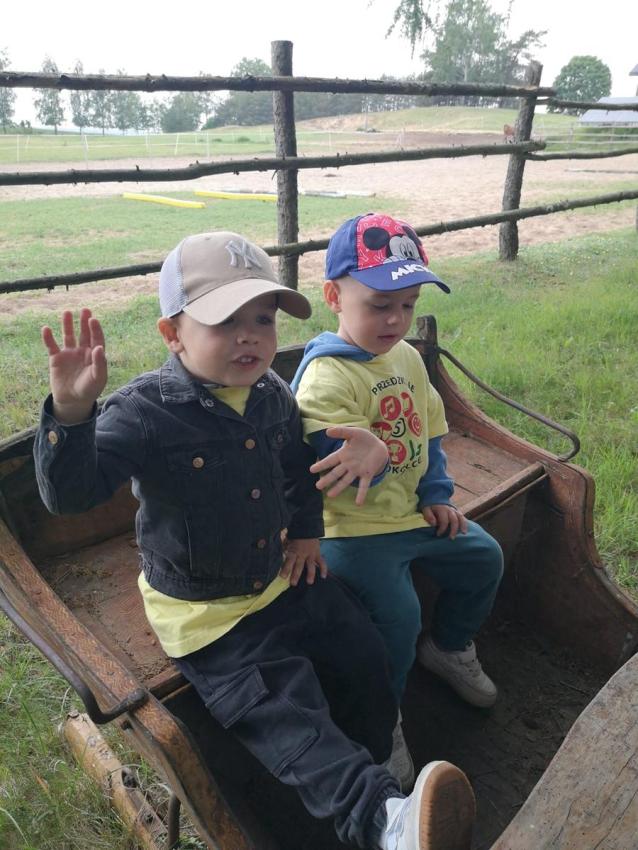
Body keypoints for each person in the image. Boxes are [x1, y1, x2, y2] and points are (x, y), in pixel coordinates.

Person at [33, 231, 476, 850]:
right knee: (287, 715)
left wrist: (307, 534)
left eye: (263, 319)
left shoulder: (271, 393)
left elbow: (299, 469)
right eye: (225, 321)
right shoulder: (143, 412)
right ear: (172, 333)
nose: (250, 337)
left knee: (363, 648)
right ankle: (384, 821)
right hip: (209, 615)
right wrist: (72, 415)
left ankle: (380, 752)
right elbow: (71, 496)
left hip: (281, 574)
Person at [292, 213, 505, 787]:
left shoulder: (406, 356)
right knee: (397, 615)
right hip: (352, 530)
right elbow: (326, 465)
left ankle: (449, 648)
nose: (395, 319)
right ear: (333, 297)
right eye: (380, 305)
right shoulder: (327, 378)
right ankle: (379, 720)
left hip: (410, 513)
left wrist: (436, 493)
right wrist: (372, 454)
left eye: (408, 305)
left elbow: (429, 431)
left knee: (483, 557)